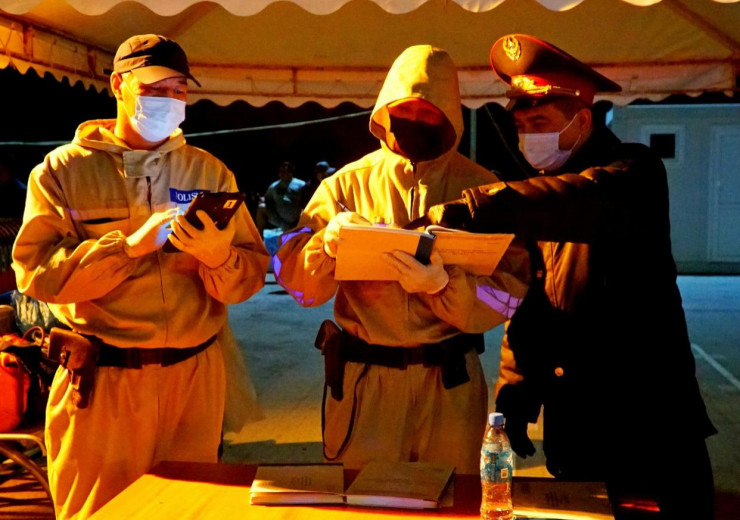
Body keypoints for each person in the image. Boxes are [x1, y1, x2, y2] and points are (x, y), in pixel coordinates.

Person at [428, 34, 716, 518]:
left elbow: (581, 198)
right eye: (521, 125)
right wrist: (515, 394)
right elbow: (532, 307)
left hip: (650, 432)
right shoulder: (543, 204)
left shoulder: (632, 172)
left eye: (540, 122)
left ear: (582, 120)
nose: (527, 137)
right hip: (577, 432)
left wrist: (475, 205)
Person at [11, 34, 269, 519]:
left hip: (193, 378)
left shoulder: (208, 172)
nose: (169, 100)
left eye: (178, 90)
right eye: (154, 88)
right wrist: (126, 248)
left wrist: (219, 257)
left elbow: (250, 276)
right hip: (105, 382)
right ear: (119, 85)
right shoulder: (62, 172)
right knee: (101, 509)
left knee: (192, 508)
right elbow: (37, 275)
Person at [273, 44, 529, 474]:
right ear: (384, 111)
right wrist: (325, 248)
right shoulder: (344, 187)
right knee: (365, 494)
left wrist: (446, 287)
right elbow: (298, 284)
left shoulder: (484, 192)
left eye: (430, 112)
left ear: (451, 117)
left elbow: (510, 294)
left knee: (453, 495)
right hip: (365, 384)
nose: (415, 120)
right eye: (404, 109)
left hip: (450, 384)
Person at [255, 160, 306, 236]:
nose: (284, 174)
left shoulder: (301, 184)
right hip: (279, 220)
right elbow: (268, 201)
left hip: (296, 219)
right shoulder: (273, 186)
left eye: (286, 172)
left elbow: (307, 202)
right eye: (282, 172)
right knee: (261, 207)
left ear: (291, 172)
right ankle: (259, 236)